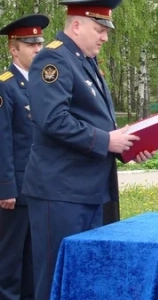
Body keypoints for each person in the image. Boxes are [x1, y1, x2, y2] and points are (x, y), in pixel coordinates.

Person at [22, 0, 152, 299]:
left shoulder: (84, 60)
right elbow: (52, 119)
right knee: (57, 276)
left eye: (106, 29)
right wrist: (107, 141)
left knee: (88, 276)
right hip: (61, 193)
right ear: (77, 25)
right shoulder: (53, 60)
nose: (105, 37)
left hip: (91, 190)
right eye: (99, 29)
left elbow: (95, 120)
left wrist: (127, 147)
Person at [0, 14, 49, 300]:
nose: (37, 48)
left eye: (39, 43)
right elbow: (3, 140)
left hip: (40, 188)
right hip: (15, 192)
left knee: (34, 257)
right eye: (29, 43)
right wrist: (5, 187)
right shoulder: (5, 86)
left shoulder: (42, 84)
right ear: (13, 48)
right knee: (9, 259)